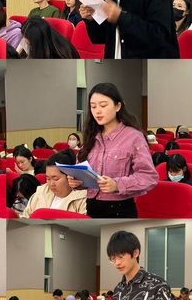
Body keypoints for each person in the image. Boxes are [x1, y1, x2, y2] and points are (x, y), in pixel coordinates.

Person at [68, 83, 158, 218]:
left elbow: (149, 176)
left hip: (120, 209)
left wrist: (117, 184)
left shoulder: (133, 137)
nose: (97, 111)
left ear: (118, 106)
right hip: (92, 206)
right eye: (93, 106)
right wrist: (78, 182)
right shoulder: (91, 136)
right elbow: (84, 172)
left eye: (103, 105)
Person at [21, 149, 88, 218]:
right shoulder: (40, 193)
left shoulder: (82, 199)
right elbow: (25, 217)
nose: (51, 184)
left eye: (56, 179)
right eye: (48, 179)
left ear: (70, 176)